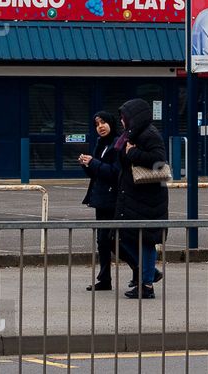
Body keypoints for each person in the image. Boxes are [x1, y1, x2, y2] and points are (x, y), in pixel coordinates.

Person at [114, 97, 168, 299]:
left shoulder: (149, 134)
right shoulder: (131, 133)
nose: (121, 121)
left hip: (148, 198)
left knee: (145, 241)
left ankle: (146, 285)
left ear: (133, 117)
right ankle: (150, 272)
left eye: (124, 117)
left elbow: (159, 160)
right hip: (132, 196)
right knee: (122, 237)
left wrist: (134, 152)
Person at [77, 110, 122, 291]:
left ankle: (141, 269)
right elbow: (96, 173)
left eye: (103, 122)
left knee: (114, 239)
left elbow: (114, 172)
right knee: (102, 240)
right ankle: (105, 279)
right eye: (97, 124)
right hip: (101, 198)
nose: (100, 127)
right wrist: (86, 164)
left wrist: (94, 163)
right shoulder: (100, 144)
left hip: (113, 197)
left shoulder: (118, 144)